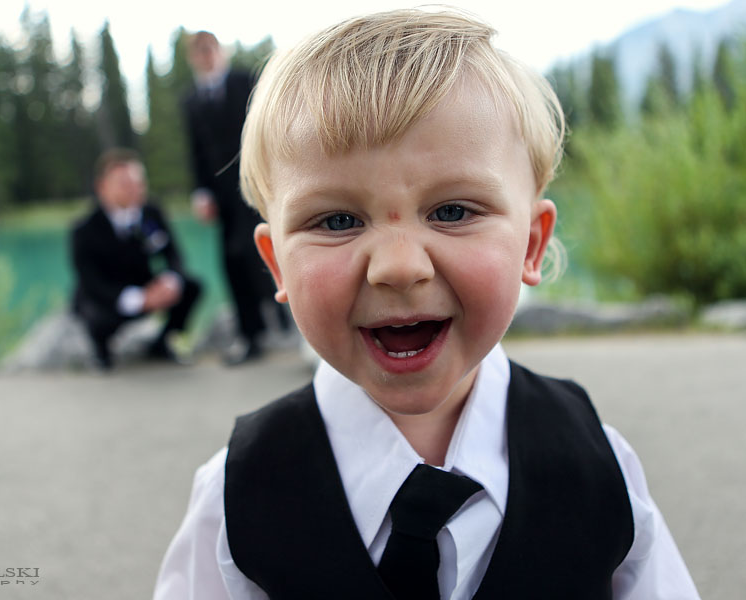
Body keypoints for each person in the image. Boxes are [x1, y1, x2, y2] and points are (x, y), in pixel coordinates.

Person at [155, 8, 699, 599]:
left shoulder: (604, 469)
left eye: (453, 211)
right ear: (277, 265)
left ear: (532, 244)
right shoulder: (233, 500)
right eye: (337, 220)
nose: (398, 267)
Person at [183, 30, 276, 364]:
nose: (206, 57)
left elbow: (267, 127)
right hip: (220, 196)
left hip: (256, 184)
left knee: (262, 251)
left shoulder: (245, 81)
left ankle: (281, 320)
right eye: (200, 52)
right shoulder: (192, 99)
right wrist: (200, 192)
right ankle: (251, 333)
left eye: (210, 50)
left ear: (219, 51)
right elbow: (195, 151)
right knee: (232, 261)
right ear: (194, 58)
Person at [71, 148, 201, 370]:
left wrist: (169, 281)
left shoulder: (152, 213)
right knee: (93, 312)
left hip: (146, 285)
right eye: (125, 183)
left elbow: (172, 254)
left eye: (139, 182)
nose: (135, 189)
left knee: (191, 287)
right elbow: (90, 281)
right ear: (102, 187)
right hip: (108, 296)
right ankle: (102, 353)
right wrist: (137, 298)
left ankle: (162, 344)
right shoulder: (84, 229)